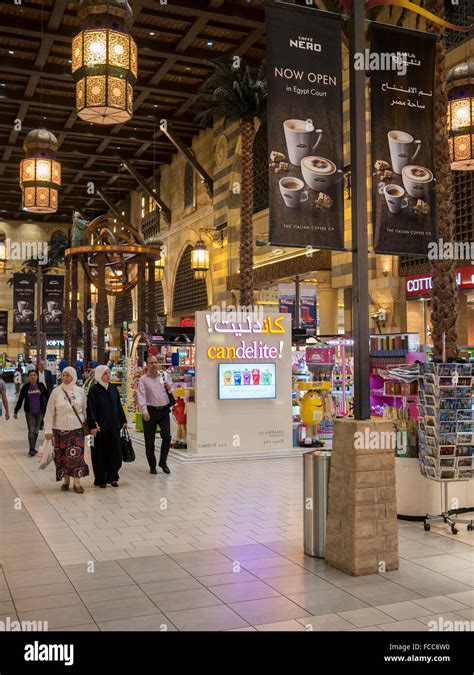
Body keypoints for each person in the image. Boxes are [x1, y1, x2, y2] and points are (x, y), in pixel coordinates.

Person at [43, 366, 89, 493]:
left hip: (77, 430)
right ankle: (66, 481)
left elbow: (85, 410)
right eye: (64, 375)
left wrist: (89, 425)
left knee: (77, 457)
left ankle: (77, 483)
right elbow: (50, 412)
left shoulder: (80, 391)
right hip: (60, 430)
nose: (65, 378)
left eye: (68, 375)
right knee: (62, 457)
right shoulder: (56, 392)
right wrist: (48, 430)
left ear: (73, 376)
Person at [87, 365, 127, 488]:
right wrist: (92, 424)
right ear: (99, 375)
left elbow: (118, 406)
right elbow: (90, 409)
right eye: (105, 374)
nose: (108, 376)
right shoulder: (93, 390)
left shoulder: (113, 389)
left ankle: (113, 477)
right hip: (99, 429)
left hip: (113, 427)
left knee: (114, 452)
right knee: (99, 453)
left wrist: (123, 420)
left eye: (109, 373)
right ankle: (101, 479)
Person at [137, 355, 174, 475]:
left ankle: (163, 462)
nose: (154, 365)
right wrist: (144, 411)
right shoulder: (143, 379)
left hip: (163, 411)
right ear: (147, 365)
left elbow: (172, 390)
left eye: (155, 362)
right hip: (150, 411)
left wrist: (170, 387)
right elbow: (141, 395)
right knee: (149, 440)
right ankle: (152, 465)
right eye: (151, 363)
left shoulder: (164, 375)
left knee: (167, 437)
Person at [14, 370, 48, 456]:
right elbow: (20, 399)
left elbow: (47, 397)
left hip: (39, 412)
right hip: (29, 412)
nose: (32, 377)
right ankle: (31, 449)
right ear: (28, 377)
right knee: (31, 429)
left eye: (34, 375)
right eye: (30, 375)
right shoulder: (25, 387)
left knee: (36, 430)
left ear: (37, 376)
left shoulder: (41, 386)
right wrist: (16, 411)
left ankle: (33, 446)